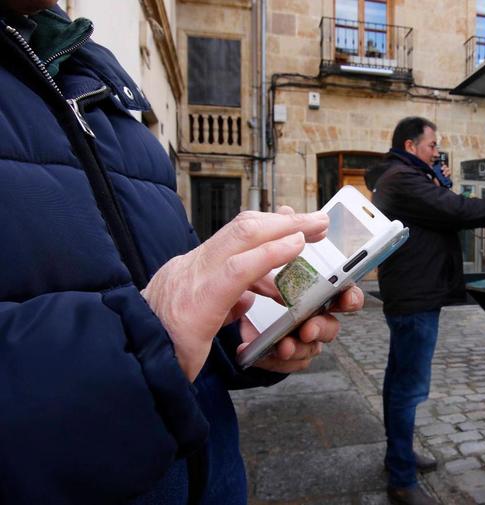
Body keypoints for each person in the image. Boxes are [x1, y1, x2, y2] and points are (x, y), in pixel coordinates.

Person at [0, 1, 363, 504]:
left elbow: (173, 303)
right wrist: (151, 337)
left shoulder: (104, 96)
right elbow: (154, 322)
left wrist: (241, 334)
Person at [366, 117, 485, 505]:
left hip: (414, 293)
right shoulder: (402, 180)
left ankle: (399, 457)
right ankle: (402, 481)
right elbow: (455, 210)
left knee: (399, 381)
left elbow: (443, 208)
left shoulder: (408, 176)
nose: (437, 151)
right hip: (414, 297)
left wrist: (437, 179)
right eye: (431, 145)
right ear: (410, 146)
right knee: (409, 388)